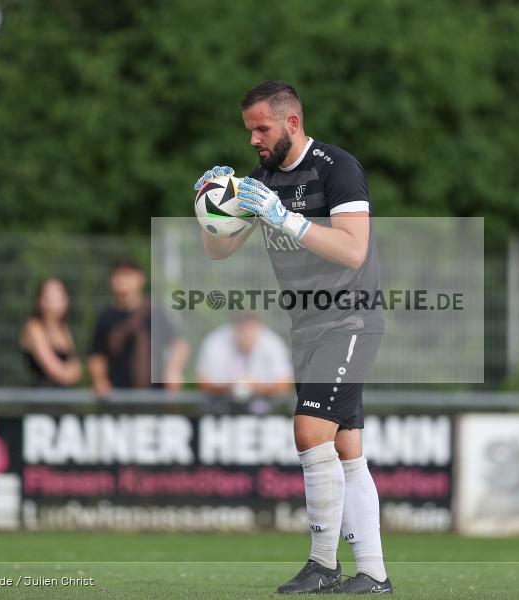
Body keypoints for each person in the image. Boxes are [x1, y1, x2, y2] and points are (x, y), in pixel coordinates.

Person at [193, 80, 391, 594]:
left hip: (350, 318)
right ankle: (373, 574)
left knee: (309, 431)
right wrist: (211, 207)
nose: (254, 139)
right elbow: (219, 252)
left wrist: (285, 218)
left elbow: (353, 249)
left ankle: (323, 565)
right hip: (307, 326)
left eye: (262, 128)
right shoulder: (260, 178)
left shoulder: (337, 168)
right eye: (249, 130)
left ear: (292, 123)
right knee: (347, 451)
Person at [88, 259, 189, 396]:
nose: (121, 280)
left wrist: (173, 370)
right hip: (117, 397)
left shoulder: (155, 313)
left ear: (140, 279)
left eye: (127, 275)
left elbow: (180, 345)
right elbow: (97, 355)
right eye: (117, 275)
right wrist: (100, 380)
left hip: (156, 397)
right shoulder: (106, 317)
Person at [197, 313, 293, 412]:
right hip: (220, 406)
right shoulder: (215, 342)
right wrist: (230, 387)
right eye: (243, 332)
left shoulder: (273, 344)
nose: (247, 337)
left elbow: (284, 385)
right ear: (235, 330)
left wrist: (257, 388)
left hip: (264, 406)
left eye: (251, 332)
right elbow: (204, 383)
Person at [19, 278, 82, 387]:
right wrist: (68, 374)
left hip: (63, 399)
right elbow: (54, 370)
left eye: (59, 295)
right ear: (41, 300)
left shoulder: (63, 329)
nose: (55, 300)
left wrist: (71, 373)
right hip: (42, 398)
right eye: (50, 296)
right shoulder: (34, 327)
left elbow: (77, 369)